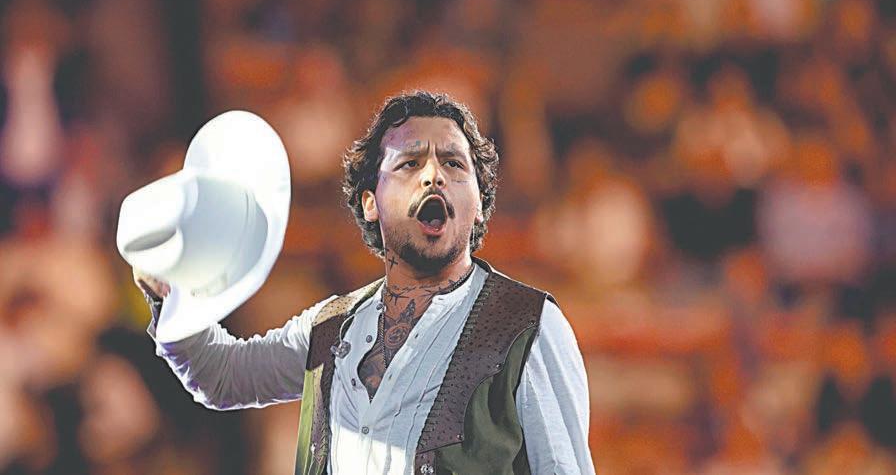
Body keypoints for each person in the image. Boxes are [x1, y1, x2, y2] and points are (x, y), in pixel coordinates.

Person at [135, 90, 595, 474]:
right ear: (371, 202)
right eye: (409, 163)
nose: (434, 175)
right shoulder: (329, 326)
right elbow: (223, 377)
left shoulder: (528, 325)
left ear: (479, 203)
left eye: (455, 164)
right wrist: (170, 295)